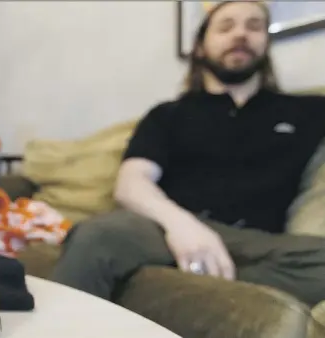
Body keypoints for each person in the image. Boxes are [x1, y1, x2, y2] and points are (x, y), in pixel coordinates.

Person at [50, 1, 325, 307]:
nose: (241, 34)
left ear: (266, 42)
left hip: (258, 243)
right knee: (97, 236)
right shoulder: (168, 115)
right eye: (226, 27)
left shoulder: (308, 110)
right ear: (200, 48)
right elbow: (132, 184)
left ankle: (191, 284)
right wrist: (183, 227)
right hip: (168, 231)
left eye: (254, 26)